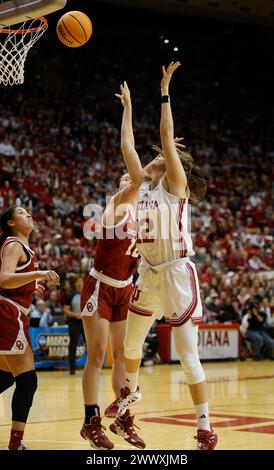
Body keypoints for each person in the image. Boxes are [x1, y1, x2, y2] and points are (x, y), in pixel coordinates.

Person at [111, 63, 218, 450]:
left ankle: (205, 429)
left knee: (189, 358)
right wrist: (127, 109)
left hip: (177, 273)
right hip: (150, 274)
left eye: (162, 155)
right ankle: (129, 403)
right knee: (128, 347)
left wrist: (164, 90)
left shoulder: (175, 185)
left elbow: (165, 134)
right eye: (156, 156)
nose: (155, 156)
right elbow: (126, 148)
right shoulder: (142, 186)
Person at [0, 206, 59, 450]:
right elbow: (3, 278)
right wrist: (40, 273)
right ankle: (16, 444)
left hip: (12, 310)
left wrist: (30, 287)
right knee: (27, 380)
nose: (29, 215)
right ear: (11, 223)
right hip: (8, 313)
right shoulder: (14, 244)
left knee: (5, 377)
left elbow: (12, 280)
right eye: (22, 213)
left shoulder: (24, 248)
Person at [64, 277, 85, 375]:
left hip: (86, 322)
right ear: (75, 284)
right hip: (74, 322)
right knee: (73, 345)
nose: (80, 283)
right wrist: (76, 315)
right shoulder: (71, 295)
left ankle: (93, 367)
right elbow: (66, 311)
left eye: (81, 281)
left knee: (90, 345)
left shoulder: (88, 295)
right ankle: (72, 368)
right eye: (78, 281)